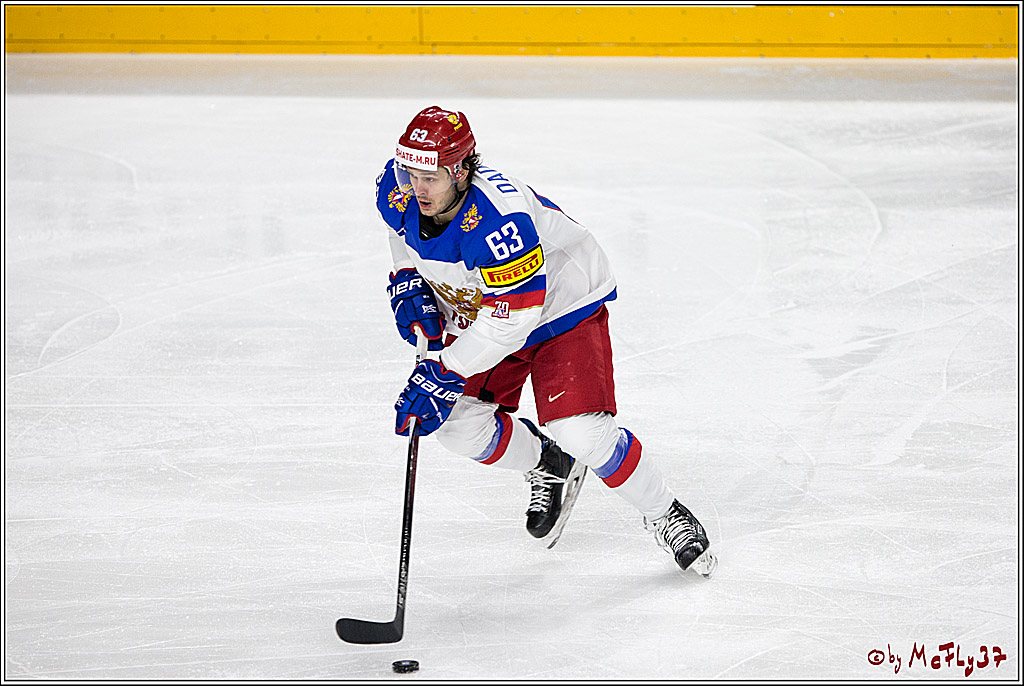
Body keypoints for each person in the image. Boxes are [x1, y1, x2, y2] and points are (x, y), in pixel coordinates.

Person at [376, 105, 717, 578]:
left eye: (430, 178)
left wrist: (444, 369)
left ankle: (664, 512)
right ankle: (549, 463)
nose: (418, 188)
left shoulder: (499, 220)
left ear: (460, 169)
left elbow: (515, 319)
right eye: (411, 173)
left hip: (559, 307)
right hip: (489, 305)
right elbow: (402, 235)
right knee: (456, 426)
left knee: (582, 432)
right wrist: (407, 277)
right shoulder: (398, 189)